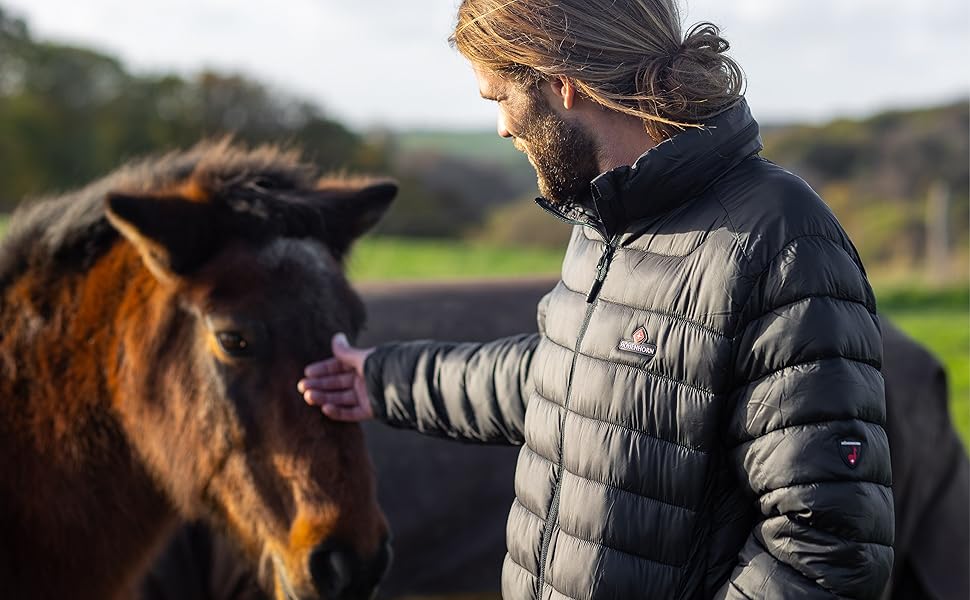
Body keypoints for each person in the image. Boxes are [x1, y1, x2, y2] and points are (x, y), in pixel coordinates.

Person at [298, 1, 895, 598]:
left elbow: (826, 553)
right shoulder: (606, 222)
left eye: (499, 96)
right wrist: (378, 379)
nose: (502, 128)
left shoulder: (780, 237)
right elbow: (567, 384)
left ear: (561, 80)